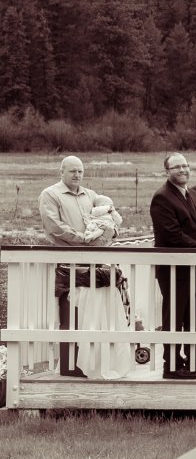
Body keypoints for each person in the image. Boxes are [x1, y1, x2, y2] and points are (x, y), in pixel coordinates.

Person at [39, 155, 126, 378]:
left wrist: (110, 232)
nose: (77, 175)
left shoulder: (92, 195)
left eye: (80, 171)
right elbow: (54, 227)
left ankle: (95, 362)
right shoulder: (50, 194)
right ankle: (72, 367)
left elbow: (108, 216)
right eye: (72, 171)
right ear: (62, 171)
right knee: (73, 315)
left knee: (96, 315)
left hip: (95, 263)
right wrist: (84, 239)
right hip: (68, 264)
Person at [151, 153, 196, 379]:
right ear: (167, 172)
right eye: (176, 167)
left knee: (194, 317)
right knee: (175, 318)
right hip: (174, 269)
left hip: (195, 267)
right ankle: (171, 366)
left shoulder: (193, 194)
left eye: (185, 166)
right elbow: (171, 235)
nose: (182, 170)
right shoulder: (162, 197)